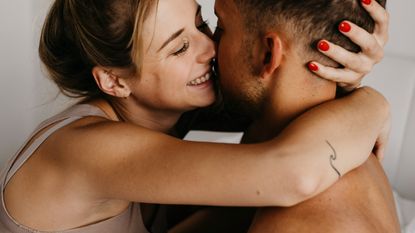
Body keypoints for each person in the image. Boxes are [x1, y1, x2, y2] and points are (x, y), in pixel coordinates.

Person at [0, 0, 389, 232]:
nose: (209, 47)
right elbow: (293, 172)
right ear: (115, 81)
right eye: (179, 46)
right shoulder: (85, 151)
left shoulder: (166, 112)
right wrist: (373, 103)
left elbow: (279, 102)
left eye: (203, 23)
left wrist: (336, 62)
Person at [181, 0, 398, 232]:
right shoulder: (353, 148)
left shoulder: (296, 224)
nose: (211, 47)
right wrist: (372, 101)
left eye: (221, 28)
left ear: (266, 54)